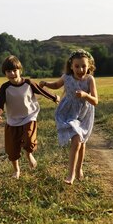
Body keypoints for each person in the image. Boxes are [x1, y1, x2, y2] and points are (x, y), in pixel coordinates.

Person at [0, 55, 59, 179]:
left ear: (20, 70)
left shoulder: (28, 83)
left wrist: (54, 97)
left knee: (29, 140)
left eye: (15, 70)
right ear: (5, 73)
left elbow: (41, 90)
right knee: (12, 149)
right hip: (13, 120)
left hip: (29, 116)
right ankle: (16, 170)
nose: (12, 73)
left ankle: (29, 155)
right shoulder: (5, 88)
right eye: (8, 71)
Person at [39, 49, 98, 184]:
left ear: (89, 66)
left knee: (82, 143)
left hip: (84, 114)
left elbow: (95, 101)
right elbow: (56, 85)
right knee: (76, 141)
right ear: (71, 65)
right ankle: (70, 174)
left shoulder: (90, 79)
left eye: (84, 66)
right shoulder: (66, 77)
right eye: (77, 66)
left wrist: (85, 95)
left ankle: (79, 169)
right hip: (68, 112)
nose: (80, 69)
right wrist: (46, 84)